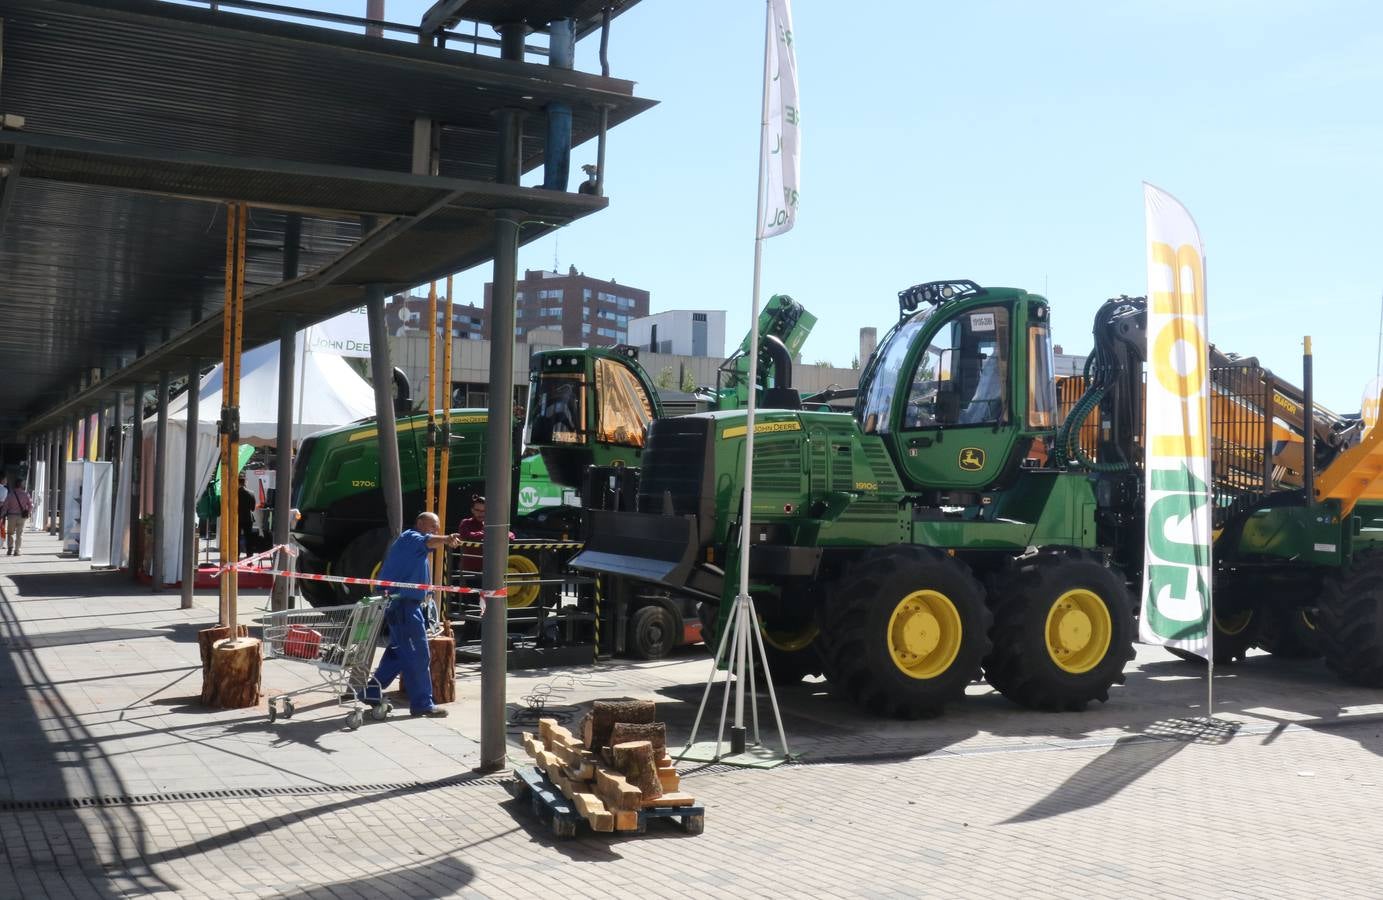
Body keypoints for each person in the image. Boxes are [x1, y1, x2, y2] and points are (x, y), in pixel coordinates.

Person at [360, 512, 461, 718]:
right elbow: (429, 540)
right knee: (418, 654)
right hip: (404, 605)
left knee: (398, 652)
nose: (435, 530)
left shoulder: (415, 548)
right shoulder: (411, 538)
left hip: (404, 604)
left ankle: (371, 692)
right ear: (420, 523)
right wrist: (447, 538)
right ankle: (423, 704)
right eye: (433, 525)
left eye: (438, 527)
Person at [456, 496, 514, 578]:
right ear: (472, 510)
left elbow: (511, 535)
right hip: (469, 571)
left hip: (491, 571)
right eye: (478, 510)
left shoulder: (493, 524)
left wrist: (493, 533)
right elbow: (468, 535)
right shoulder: (466, 523)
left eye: (484, 511)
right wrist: (491, 533)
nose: (481, 513)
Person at [2, 479, 33, 556]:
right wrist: (28, 513)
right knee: (19, 534)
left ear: (14, 485)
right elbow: (31, 505)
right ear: (21, 485)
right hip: (22, 517)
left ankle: (10, 548)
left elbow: (5, 506)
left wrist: (2, 514)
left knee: (10, 533)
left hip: (11, 516)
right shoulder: (26, 494)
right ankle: (17, 551)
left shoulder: (10, 494)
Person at [237, 473, 256, 556]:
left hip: (237, 518)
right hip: (248, 518)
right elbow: (252, 508)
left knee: (236, 538)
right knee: (249, 539)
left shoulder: (234, 493)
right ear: (245, 482)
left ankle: (235, 557)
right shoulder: (251, 493)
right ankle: (249, 558)